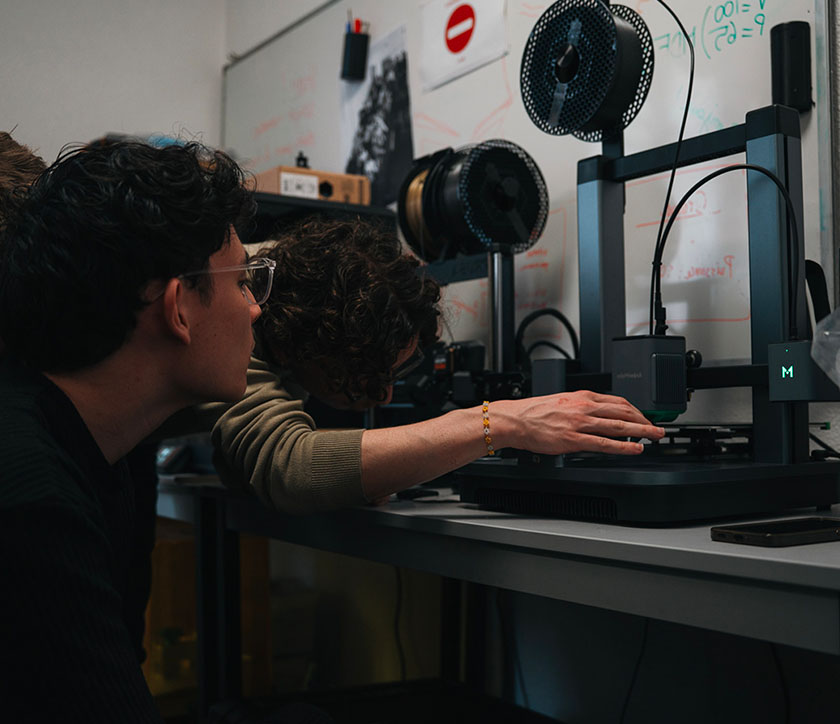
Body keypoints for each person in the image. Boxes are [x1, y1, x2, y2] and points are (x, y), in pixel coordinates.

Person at [0, 138, 266, 722]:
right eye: (244, 281)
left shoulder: (91, 446)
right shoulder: (34, 504)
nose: (255, 307)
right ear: (178, 309)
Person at [212, 217, 665, 514]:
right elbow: (289, 469)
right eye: (372, 378)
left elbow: (236, 463)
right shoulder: (235, 307)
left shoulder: (288, 281)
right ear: (310, 349)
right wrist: (501, 420)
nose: (385, 396)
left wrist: (375, 468)